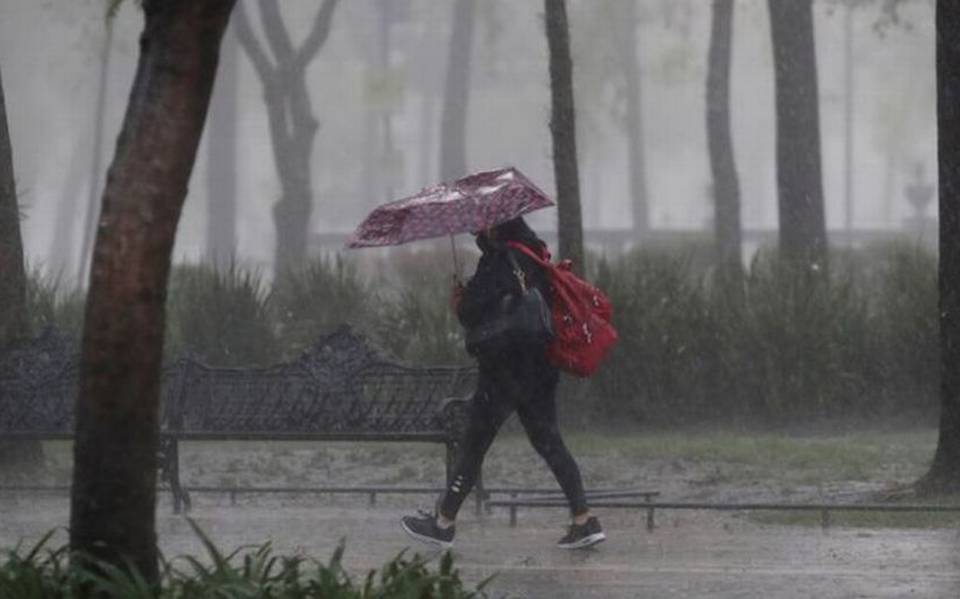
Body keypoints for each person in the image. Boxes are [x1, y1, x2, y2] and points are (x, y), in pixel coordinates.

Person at [401, 216, 605, 550]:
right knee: (549, 441)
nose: (478, 232)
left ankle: (442, 523)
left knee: (474, 444)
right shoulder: (534, 253)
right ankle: (584, 519)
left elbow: (472, 311)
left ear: (497, 225)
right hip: (540, 365)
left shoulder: (498, 259)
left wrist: (460, 302)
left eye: (482, 226)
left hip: (504, 369)